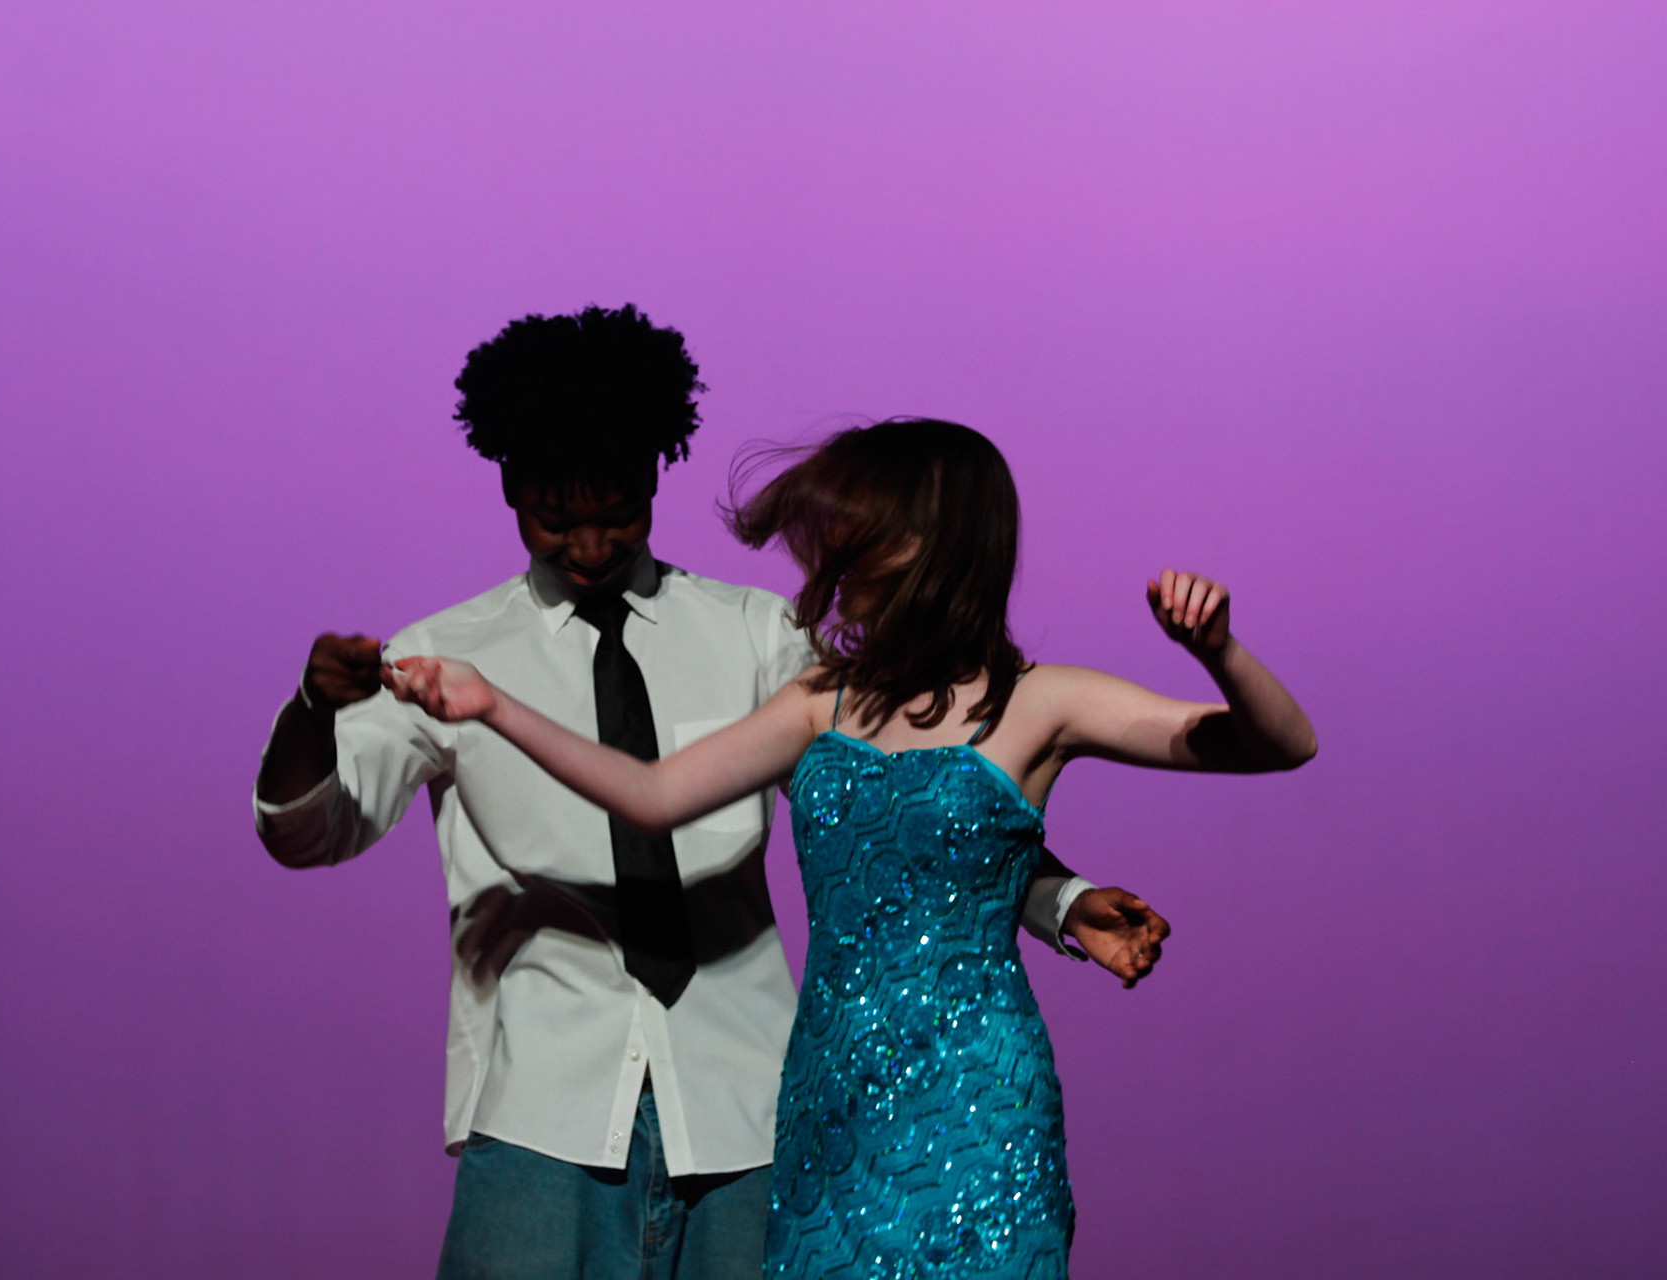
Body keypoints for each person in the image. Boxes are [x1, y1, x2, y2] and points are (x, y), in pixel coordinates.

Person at [254, 311, 1171, 1280]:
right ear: (509, 486)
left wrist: (1055, 897)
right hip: (540, 1113)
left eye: (617, 511)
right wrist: (315, 709)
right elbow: (307, 830)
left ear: (657, 477)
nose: (590, 543)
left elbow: (904, 799)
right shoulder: (445, 655)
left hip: (746, 1105)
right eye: (556, 517)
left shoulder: (761, 637)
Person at [389, 418, 1317, 1279]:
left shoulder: (1044, 701)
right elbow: (652, 794)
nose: (833, 557)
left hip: (975, 1101)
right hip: (830, 1100)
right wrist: (494, 705)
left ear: (932, 544)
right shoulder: (819, 700)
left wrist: (1220, 650)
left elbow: (1283, 744)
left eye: (860, 534)